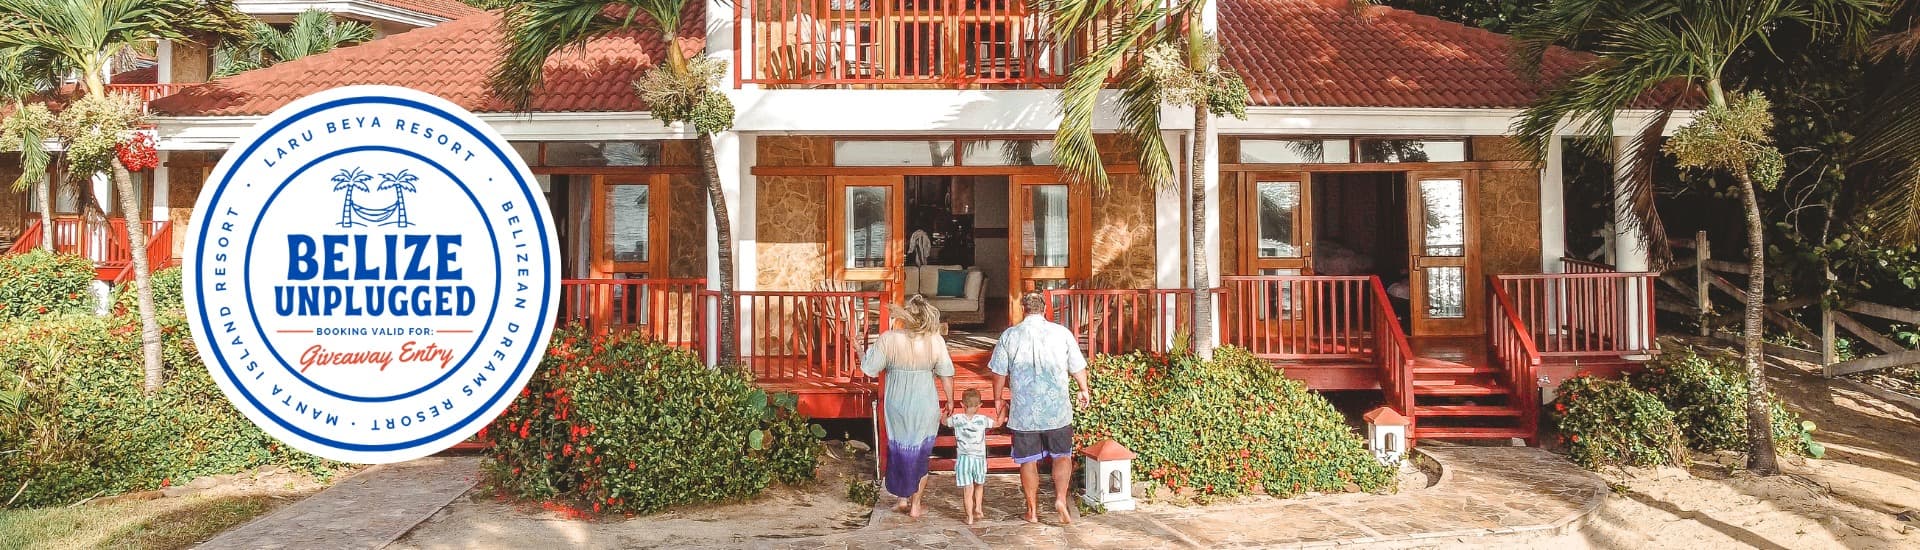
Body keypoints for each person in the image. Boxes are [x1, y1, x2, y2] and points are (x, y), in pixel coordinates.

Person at [988, 292, 1091, 524]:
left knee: (1028, 461)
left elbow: (998, 372)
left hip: (1025, 412)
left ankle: (1032, 511)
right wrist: (1083, 389)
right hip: (1057, 410)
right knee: (1062, 456)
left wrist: (998, 399)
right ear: (1044, 309)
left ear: (1023, 309)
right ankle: (1060, 499)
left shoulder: (1010, 335)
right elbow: (1077, 366)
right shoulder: (1061, 333)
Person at [860, 295, 955, 517]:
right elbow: (946, 374)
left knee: (900, 450)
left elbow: (871, 368)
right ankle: (915, 504)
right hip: (925, 402)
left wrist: (859, 351)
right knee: (921, 452)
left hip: (897, 403)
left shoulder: (889, 338)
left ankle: (902, 499)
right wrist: (950, 400)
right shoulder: (935, 340)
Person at [946, 389, 995, 525]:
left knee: (968, 490)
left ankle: (969, 517)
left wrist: (946, 411)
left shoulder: (957, 419)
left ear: (962, 404)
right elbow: (998, 423)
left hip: (964, 459)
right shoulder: (983, 420)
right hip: (979, 458)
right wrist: (1003, 409)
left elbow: (944, 422)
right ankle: (978, 509)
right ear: (980, 405)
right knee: (979, 484)